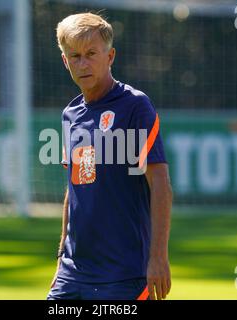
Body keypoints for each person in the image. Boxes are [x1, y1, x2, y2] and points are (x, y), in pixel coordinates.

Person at [47, 12, 173, 300]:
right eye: (75, 55)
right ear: (65, 61)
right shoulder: (70, 115)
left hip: (124, 273)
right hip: (73, 274)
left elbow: (161, 184)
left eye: (91, 53)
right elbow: (74, 188)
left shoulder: (135, 106)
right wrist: (60, 257)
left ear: (110, 56)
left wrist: (158, 258)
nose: (83, 63)